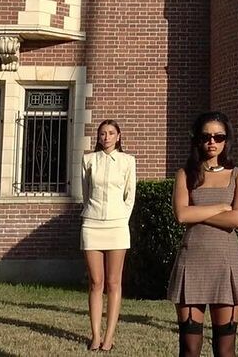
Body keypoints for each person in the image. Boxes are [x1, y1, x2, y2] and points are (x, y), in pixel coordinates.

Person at [167, 111, 238, 357]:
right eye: (206, 137)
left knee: (225, 349)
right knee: (189, 347)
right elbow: (181, 215)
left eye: (218, 137)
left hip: (226, 263)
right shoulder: (185, 174)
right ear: (197, 140)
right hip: (192, 261)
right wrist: (220, 208)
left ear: (227, 140)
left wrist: (197, 212)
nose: (212, 142)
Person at [80, 119, 137, 352]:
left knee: (114, 282)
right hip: (92, 224)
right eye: (103, 133)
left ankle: (109, 336)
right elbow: (86, 193)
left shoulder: (127, 161)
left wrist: (121, 218)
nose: (106, 137)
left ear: (118, 136)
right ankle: (95, 335)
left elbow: (130, 195)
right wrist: (91, 214)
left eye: (111, 133)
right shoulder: (88, 160)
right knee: (96, 282)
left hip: (117, 225)